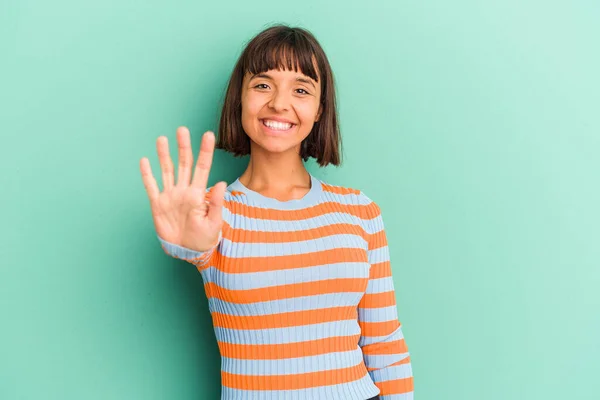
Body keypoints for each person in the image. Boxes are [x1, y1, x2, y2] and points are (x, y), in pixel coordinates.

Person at [139, 24, 414, 400]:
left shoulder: (360, 212)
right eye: (263, 84)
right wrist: (181, 242)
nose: (279, 104)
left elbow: (385, 342)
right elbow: (190, 244)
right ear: (240, 98)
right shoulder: (211, 214)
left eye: (301, 89)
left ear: (320, 110)